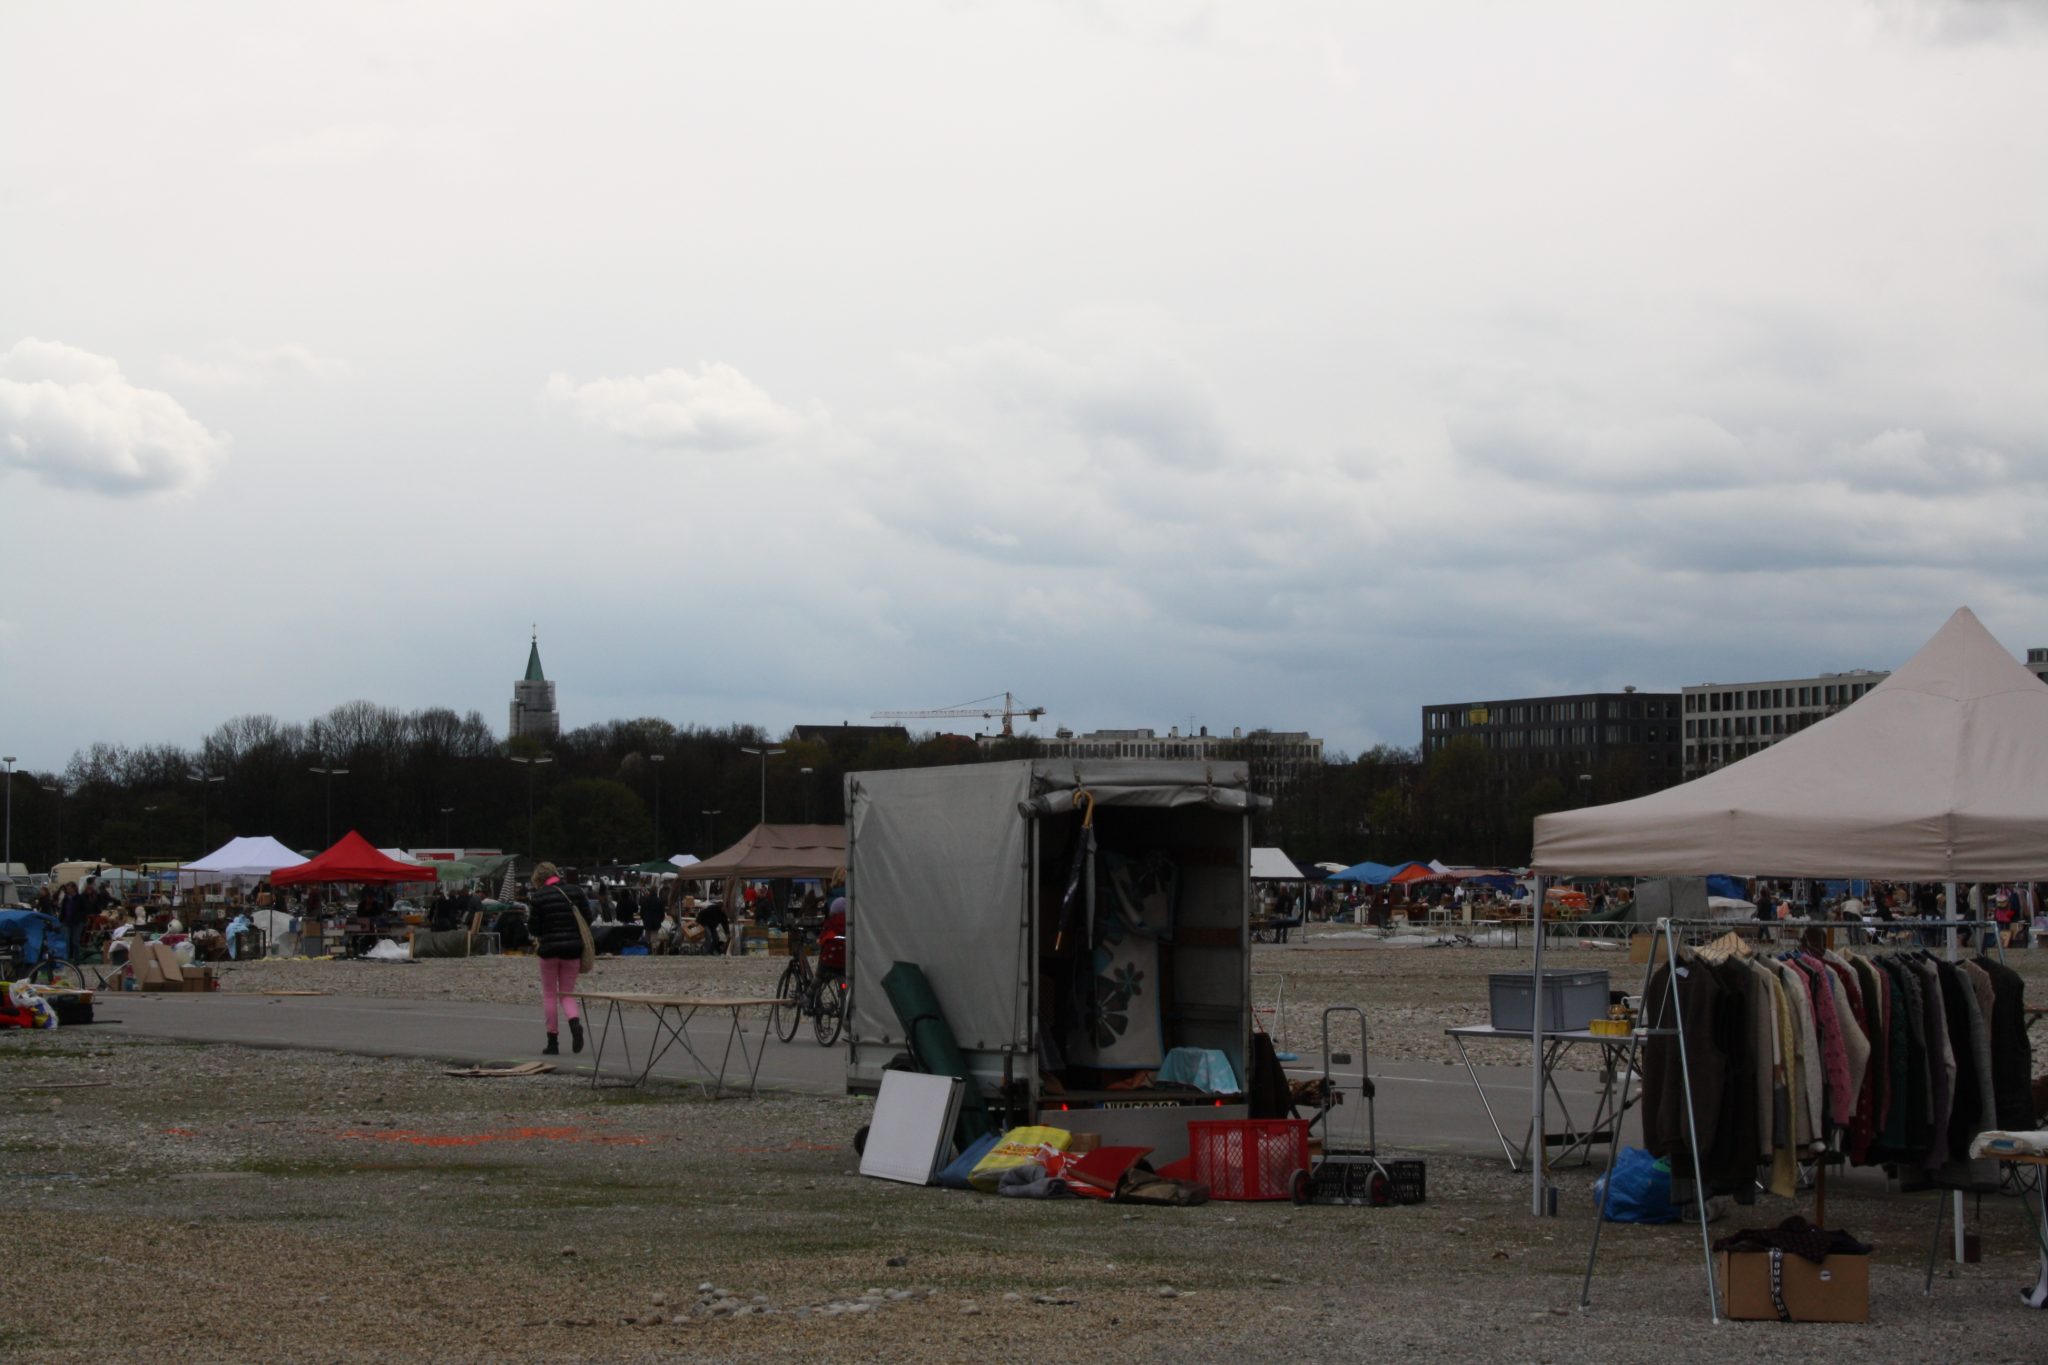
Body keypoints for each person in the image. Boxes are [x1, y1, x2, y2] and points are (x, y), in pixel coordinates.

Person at [528, 861, 590, 1055]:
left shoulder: (538, 897)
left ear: (538, 879)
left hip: (548, 950)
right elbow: (588, 918)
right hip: (572, 949)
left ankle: (552, 1042)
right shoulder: (575, 892)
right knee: (567, 993)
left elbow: (534, 928)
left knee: (549, 994)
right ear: (556, 873)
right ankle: (575, 1024)